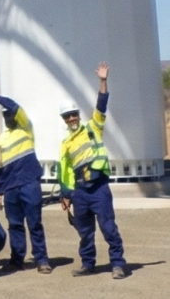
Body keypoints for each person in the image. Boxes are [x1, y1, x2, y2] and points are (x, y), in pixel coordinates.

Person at [58, 62, 127, 279]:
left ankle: (118, 264)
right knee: (85, 232)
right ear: (63, 119)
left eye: (73, 114)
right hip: (80, 192)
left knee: (108, 228)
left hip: (98, 188)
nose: (71, 118)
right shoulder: (65, 144)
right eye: (67, 116)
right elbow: (66, 172)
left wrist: (103, 81)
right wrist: (65, 195)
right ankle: (88, 264)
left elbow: (101, 105)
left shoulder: (92, 128)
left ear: (78, 115)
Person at [0, 87, 50, 272]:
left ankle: (42, 260)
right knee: (15, 225)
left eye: (11, 114)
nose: (9, 117)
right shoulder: (2, 139)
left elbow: (14, 106)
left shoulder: (26, 128)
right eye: (5, 115)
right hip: (11, 188)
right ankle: (17, 259)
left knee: (35, 223)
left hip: (29, 183)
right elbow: (3, 167)